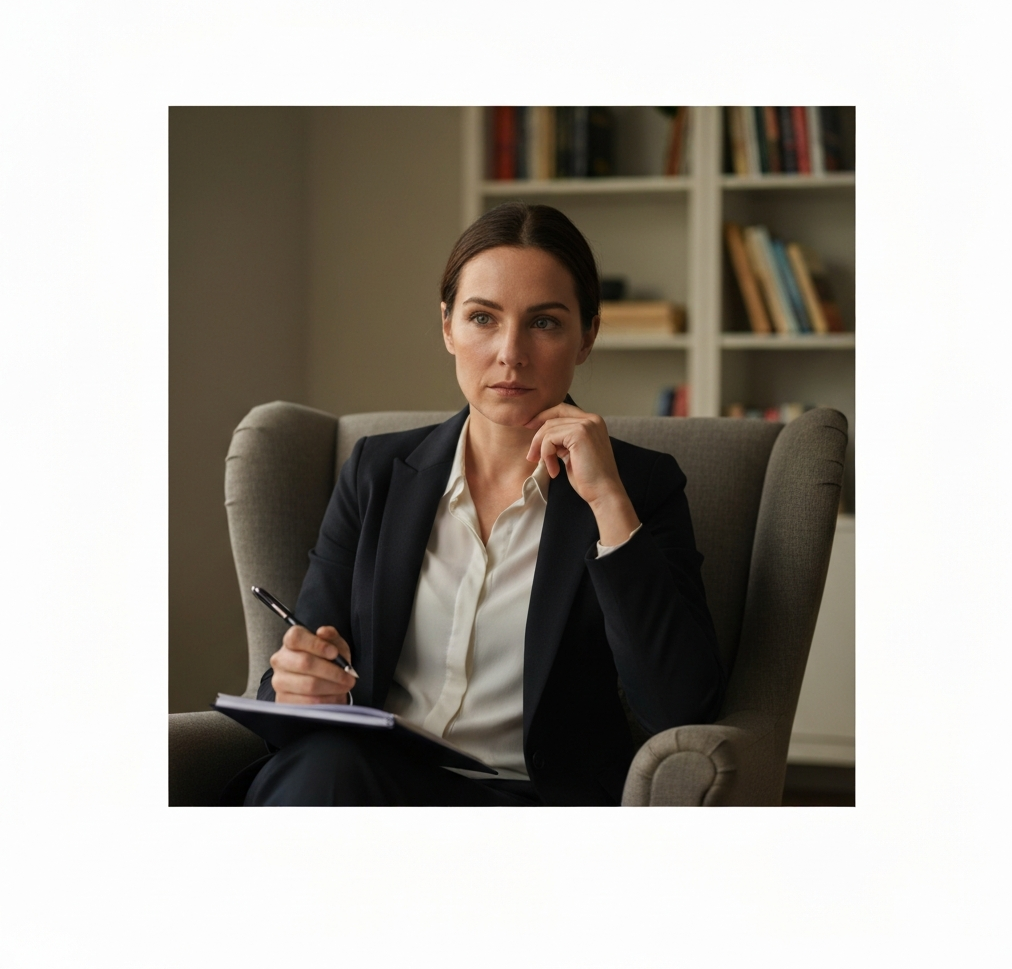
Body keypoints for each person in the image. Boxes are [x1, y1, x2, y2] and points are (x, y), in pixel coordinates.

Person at [241, 201, 725, 806]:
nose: (510, 353)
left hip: (528, 802)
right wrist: (294, 683)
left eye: (544, 322)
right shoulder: (376, 472)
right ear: (447, 327)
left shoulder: (642, 486)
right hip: (367, 780)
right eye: (482, 318)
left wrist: (606, 500)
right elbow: (306, 649)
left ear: (588, 336)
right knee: (324, 767)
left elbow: (680, 706)